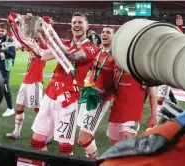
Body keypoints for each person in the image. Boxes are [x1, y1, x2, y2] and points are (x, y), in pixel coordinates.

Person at [30, 13, 98, 155]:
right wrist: (27, 39)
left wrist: (52, 35)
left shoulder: (91, 48)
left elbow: (72, 55)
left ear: (87, 26)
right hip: (50, 94)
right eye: (74, 23)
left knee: (65, 148)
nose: (76, 25)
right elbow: (42, 55)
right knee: (36, 141)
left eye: (80, 22)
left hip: (68, 98)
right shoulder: (65, 44)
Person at [77, 26, 115, 158]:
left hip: (100, 99)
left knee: (83, 138)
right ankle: (90, 156)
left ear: (113, 37)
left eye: (108, 33)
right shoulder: (97, 52)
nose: (105, 34)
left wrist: (104, 90)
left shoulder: (115, 57)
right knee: (86, 134)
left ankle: (94, 160)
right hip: (88, 94)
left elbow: (118, 81)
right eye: (103, 32)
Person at [107, 64, 157, 145]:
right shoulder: (117, 67)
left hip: (131, 117)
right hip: (115, 115)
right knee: (115, 148)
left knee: (125, 149)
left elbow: (153, 95)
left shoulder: (141, 71)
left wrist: (153, 115)